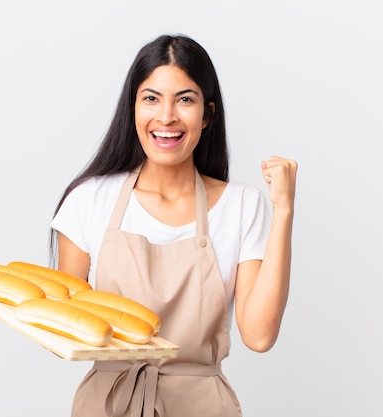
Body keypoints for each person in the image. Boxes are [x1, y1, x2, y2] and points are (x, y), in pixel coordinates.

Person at [49, 34, 298, 417]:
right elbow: (62, 328)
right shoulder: (88, 201)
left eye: (185, 99)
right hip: (108, 403)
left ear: (207, 114)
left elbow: (259, 335)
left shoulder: (242, 206)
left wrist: (283, 210)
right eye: (151, 98)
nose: (166, 116)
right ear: (132, 108)